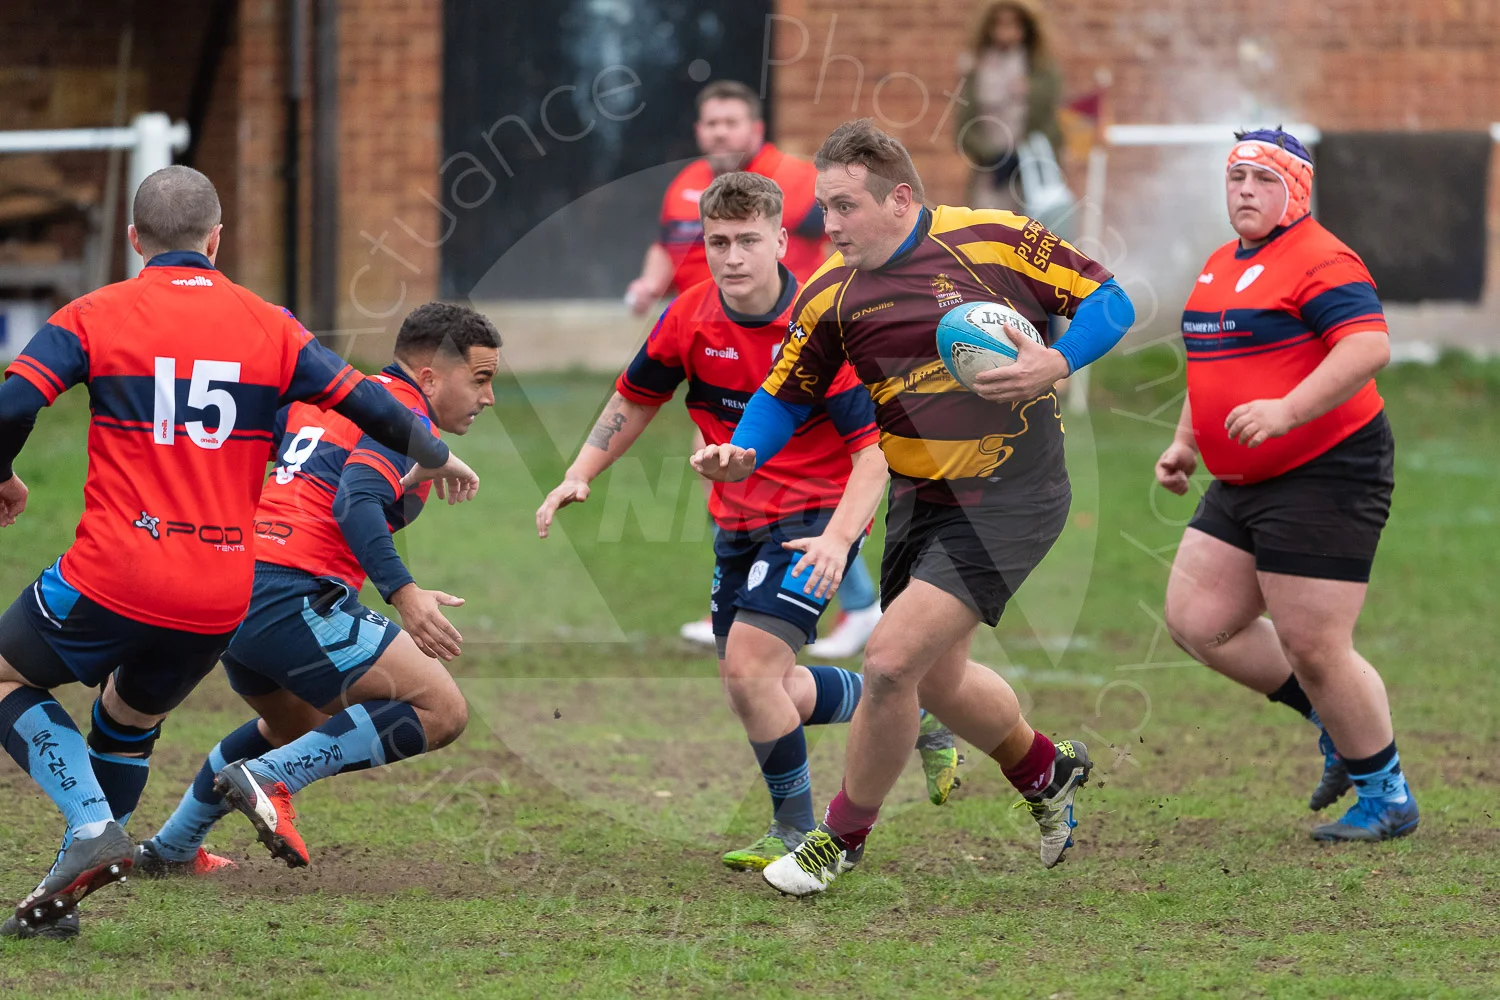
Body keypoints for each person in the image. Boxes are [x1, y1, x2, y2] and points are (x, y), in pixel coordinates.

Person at [0, 166, 477, 938]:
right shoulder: (272, 327)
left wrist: (4, 476)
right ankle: (68, 894)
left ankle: (91, 823)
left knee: (2, 673)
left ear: (133, 240)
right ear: (216, 241)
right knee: (124, 718)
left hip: (117, 571)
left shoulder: (95, 314)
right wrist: (432, 448)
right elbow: (371, 405)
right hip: (222, 593)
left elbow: (14, 403)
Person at [692, 119, 1135, 895]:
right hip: (922, 498)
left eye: (843, 207)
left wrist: (1055, 361)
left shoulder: (994, 239)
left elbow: (1111, 300)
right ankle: (1047, 771)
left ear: (899, 199)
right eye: (821, 209)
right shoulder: (830, 296)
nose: (827, 227)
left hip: (1014, 492)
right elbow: (780, 395)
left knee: (891, 660)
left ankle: (838, 842)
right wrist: (746, 451)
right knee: (936, 680)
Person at [539, 171, 960, 870]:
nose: (732, 257)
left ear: (781, 242)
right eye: (718, 242)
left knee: (750, 673)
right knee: (768, 686)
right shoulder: (689, 315)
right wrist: (579, 473)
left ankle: (799, 834)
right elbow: (635, 397)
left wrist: (838, 537)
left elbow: (874, 455)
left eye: (747, 241)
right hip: (733, 519)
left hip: (814, 517)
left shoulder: (826, 326)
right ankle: (911, 713)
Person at [134, 302, 498, 877]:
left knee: (290, 727)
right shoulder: (401, 416)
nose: (489, 397)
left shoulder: (329, 396)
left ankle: (172, 847)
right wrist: (403, 592)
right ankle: (271, 779)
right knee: (442, 708)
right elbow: (354, 500)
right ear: (428, 377)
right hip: (293, 594)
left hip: (232, 587)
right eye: (480, 379)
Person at [1156, 129, 1416, 842]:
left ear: (1296, 189)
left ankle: (1386, 796)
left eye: (1262, 180)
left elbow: (1369, 346)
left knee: (1315, 645)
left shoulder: (1321, 258)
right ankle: (1335, 725)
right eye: (1235, 177)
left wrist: (1286, 410)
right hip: (1245, 475)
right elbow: (1210, 362)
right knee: (1197, 619)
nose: (1244, 190)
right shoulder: (1219, 265)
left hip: (1326, 468)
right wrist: (1185, 442)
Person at [623, 78, 884, 659]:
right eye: (711, 123)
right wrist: (651, 283)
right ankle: (763, 595)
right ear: (699, 131)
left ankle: (851, 598)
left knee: (803, 477)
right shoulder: (686, 187)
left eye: (731, 122)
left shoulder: (793, 180)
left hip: (790, 345)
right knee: (727, 474)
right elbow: (668, 248)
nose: (720, 132)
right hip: (712, 347)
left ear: (755, 130)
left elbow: (848, 237)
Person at [954, 0, 1063, 213]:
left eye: (1013, 24)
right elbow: (964, 127)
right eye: (1000, 24)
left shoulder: (1040, 69)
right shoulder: (977, 69)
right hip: (991, 172)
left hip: (1030, 171)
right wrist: (992, 156)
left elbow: (1049, 121)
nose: (1006, 31)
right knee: (987, 227)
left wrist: (1024, 156)